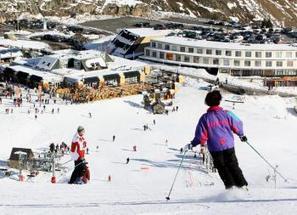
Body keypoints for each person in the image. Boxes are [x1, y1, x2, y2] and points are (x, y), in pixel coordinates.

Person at [184, 90, 248, 190]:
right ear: (219, 101)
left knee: (222, 168)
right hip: (228, 145)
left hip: (215, 148)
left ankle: (230, 187)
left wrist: (193, 143)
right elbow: (237, 123)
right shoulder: (227, 114)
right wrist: (241, 135)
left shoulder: (205, 118)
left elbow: (201, 135)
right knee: (233, 165)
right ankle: (242, 185)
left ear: (208, 103)